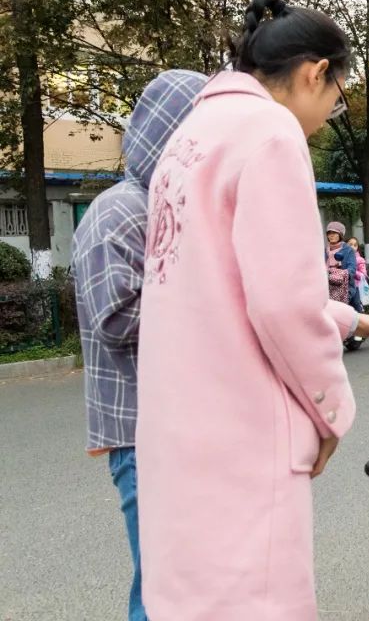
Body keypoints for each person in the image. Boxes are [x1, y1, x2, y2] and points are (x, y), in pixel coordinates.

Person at [135, 0, 369, 621]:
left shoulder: (189, 138)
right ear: (316, 73)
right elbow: (283, 303)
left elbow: (220, 287)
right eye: (337, 98)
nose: (329, 114)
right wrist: (331, 409)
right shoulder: (270, 134)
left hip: (178, 432)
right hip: (243, 429)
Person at [72, 69, 207, 621]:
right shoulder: (119, 213)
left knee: (182, 576)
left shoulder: (162, 206)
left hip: (172, 423)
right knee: (163, 587)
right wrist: (209, 294)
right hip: (140, 431)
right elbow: (118, 320)